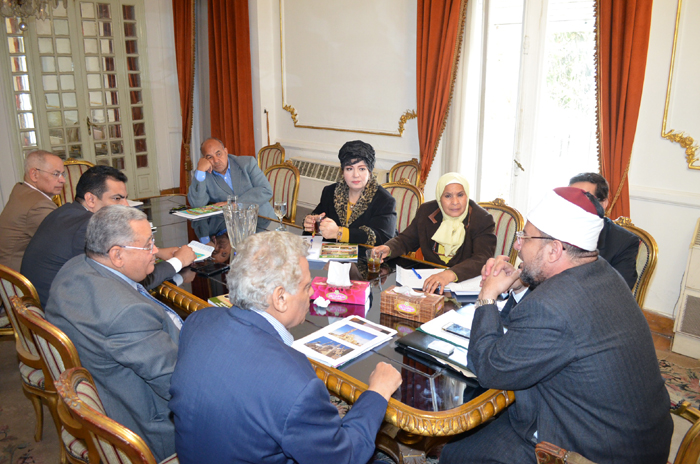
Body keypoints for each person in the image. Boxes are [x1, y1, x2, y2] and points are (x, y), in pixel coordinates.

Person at [440, 187, 672, 464]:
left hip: (592, 451)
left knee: (456, 452)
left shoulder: (552, 307)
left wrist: (487, 297)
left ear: (554, 250)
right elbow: (544, 328)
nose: (517, 245)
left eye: (525, 237)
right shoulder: (601, 271)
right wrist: (520, 286)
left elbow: (488, 369)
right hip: (640, 437)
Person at [169, 231, 402, 464]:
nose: (312, 293)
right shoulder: (296, 382)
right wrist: (377, 392)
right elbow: (344, 457)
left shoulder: (197, 322)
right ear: (280, 298)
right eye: (306, 286)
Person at [45, 206, 181, 461]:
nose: (155, 251)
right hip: (152, 429)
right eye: (148, 245)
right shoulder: (128, 314)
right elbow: (178, 387)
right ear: (117, 255)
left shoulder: (74, 267)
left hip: (111, 390)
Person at [21, 166, 195, 307]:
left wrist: (157, 252)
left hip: (46, 303)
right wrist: (179, 261)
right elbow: (129, 282)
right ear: (90, 199)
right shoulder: (88, 228)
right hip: (67, 315)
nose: (126, 206)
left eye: (125, 198)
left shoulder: (66, 211)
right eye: (117, 199)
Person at [373, 173, 496, 294]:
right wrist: (388, 248)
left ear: (467, 195)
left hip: (464, 286)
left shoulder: (481, 219)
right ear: (439, 197)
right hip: (429, 284)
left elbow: (482, 258)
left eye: (460, 195)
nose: (455, 202)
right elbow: (406, 239)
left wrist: (450, 274)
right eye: (448, 196)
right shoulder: (427, 211)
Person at [303, 140, 397, 246]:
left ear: (370, 172)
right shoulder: (330, 192)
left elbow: (383, 237)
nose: (355, 175)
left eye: (362, 169)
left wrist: (340, 233)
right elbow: (316, 218)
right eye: (349, 169)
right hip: (331, 253)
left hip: (365, 255)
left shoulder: (384, 200)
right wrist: (311, 223)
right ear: (342, 172)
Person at [569, 172, 639, 289]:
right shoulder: (552, 229)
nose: (575, 204)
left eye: (584, 198)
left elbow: (620, 289)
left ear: (603, 204)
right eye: (570, 198)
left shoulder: (623, 242)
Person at [187, 137, 275, 230]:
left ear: (226, 151)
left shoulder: (247, 163)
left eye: (218, 154)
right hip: (228, 227)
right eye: (210, 157)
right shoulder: (204, 175)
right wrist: (200, 171)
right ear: (204, 159)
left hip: (261, 222)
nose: (216, 160)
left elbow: (266, 190)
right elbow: (197, 205)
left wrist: (235, 204)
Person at [0, 150, 65, 271]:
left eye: (62, 174)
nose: (62, 180)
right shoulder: (39, 205)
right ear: (34, 174)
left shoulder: (21, 189)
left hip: (7, 271)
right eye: (56, 174)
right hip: (17, 276)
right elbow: (64, 242)